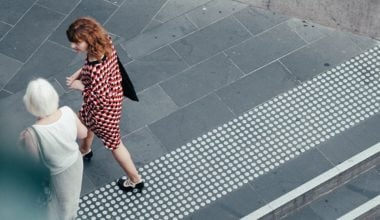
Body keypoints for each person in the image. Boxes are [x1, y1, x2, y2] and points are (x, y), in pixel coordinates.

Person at [65, 17, 144, 192]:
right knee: (84, 121)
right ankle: (85, 150)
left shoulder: (96, 71)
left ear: (89, 41)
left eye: (77, 43)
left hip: (103, 112)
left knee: (115, 144)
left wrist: (80, 86)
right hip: (114, 94)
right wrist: (78, 74)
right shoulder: (105, 42)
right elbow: (90, 65)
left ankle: (135, 179)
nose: (73, 46)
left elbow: (99, 99)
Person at [20, 78, 88, 220]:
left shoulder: (32, 133)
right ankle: (72, 214)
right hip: (76, 162)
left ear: (30, 106)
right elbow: (83, 133)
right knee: (72, 195)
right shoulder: (67, 111)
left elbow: (34, 162)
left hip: (58, 173)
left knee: (60, 203)